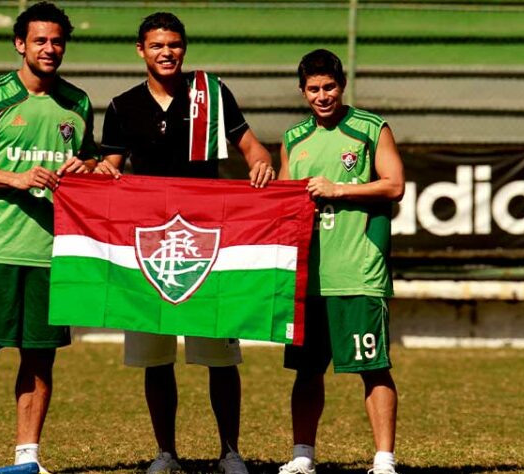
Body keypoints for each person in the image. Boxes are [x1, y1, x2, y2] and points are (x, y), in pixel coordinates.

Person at [94, 12, 274, 474]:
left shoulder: (211, 93)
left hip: (206, 240)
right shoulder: (122, 105)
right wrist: (103, 171)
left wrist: (260, 162)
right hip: (149, 245)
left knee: (219, 356)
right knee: (157, 356)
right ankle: (165, 453)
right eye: (156, 45)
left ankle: (230, 451)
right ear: (140, 51)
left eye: (173, 44)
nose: (166, 52)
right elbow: (108, 165)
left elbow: (252, 147)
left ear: (185, 47)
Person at [0, 2, 96, 472]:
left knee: (40, 358)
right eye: (40, 41)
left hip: (53, 252)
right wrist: (16, 178)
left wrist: (86, 166)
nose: (49, 49)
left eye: (56, 41)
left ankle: (27, 459)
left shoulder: (79, 102)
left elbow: (91, 162)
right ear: (20, 44)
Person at [277, 49, 405, 474]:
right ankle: (302, 456)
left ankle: (384, 459)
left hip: (358, 272)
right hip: (309, 278)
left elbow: (394, 185)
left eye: (329, 87)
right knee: (306, 372)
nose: (322, 96)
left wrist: (338, 190)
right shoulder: (293, 139)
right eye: (313, 89)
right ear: (302, 91)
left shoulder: (370, 128)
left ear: (342, 85)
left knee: (374, 368)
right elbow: (281, 197)